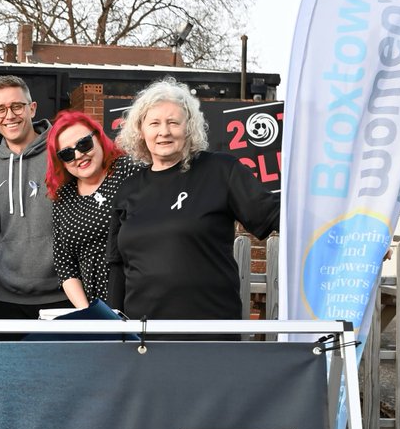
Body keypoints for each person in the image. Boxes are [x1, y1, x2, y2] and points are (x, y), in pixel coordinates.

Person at [107, 77, 280, 323]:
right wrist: (116, 327)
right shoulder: (128, 190)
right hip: (143, 336)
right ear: (140, 131)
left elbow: (274, 215)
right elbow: (117, 265)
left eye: (173, 122)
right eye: (154, 123)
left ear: (189, 128)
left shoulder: (221, 171)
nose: (163, 131)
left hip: (207, 332)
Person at [0, 75, 64, 322]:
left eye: (17, 106)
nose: (10, 115)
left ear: (32, 108)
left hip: (62, 294)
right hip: (8, 298)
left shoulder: (60, 154)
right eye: (1, 109)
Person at [48, 111, 146, 309]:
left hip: (138, 297)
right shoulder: (64, 197)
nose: (78, 155)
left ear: (99, 137)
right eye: (67, 154)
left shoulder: (128, 171)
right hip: (96, 307)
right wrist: (88, 314)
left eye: (84, 144)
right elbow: (65, 265)